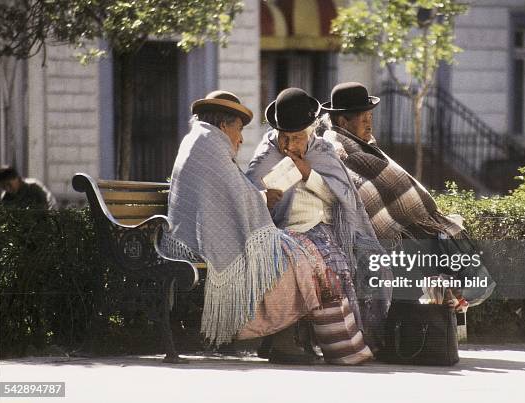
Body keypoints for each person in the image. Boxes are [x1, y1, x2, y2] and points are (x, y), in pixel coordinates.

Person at [158, 90, 326, 364]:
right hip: (194, 244)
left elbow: (228, 195)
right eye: (238, 128)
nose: (241, 137)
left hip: (193, 236)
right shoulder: (208, 144)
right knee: (286, 256)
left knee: (291, 251)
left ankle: (276, 338)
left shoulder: (203, 140)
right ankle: (276, 340)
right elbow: (233, 195)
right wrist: (263, 198)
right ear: (224, 124)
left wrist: (260, 198)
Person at [320, 82, 495, 306]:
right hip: (388, 239)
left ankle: (450, 302)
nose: (369, 123)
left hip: (404, 230)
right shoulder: (340, 148)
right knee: (439, 253)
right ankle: (446, 306)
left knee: (444, 255)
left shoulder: (364, 145)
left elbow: (392, 183)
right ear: (343, 121)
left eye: (370, 117)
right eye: (362, 118)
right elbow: (366, 190)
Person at [246, 88, 393, 352]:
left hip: (335, 229)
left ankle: (373, 338)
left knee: (375, 260)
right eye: (285, 137)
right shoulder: (266, 155)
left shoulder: (322, 150)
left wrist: (308, 173)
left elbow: (344, 196)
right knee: (334, 265)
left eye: (298, 137)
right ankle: (335, 342)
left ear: (311, 131)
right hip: (292, 231)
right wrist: (265, 198)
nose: (291, 145)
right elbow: (247, 199)